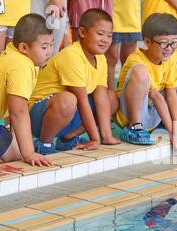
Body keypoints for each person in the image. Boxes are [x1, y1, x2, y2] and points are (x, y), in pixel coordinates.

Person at [29, 8, 120, 155]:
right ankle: (44, 143)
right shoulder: (72, 56)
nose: (105, 40)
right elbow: (82, 101)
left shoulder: (101, 58)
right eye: (100, 34)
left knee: (111, 98)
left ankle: (68, 138)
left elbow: (101, 98)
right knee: (69, 99)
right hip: (38, 115)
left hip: (66, 112)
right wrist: (94, 138)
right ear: (83, 33)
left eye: (109, 36)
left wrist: (106, 136)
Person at [114, 13, 177, 156]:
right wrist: (173, 132)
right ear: (147, 42)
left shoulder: (168, 60)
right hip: (131, 114)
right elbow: (156, 97)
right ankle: (134, 128)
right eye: (163, 43)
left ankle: (161, 124)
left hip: (153, 114)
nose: (169, 48)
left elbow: (171, 94)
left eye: (174, 42)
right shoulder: (136, 59)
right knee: (140, 72)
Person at [0, 14, 53, 167]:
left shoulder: (11, 53)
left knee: (16, 149)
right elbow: (19, 112)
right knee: (17, 155)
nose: (49, 51)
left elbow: (12, 111)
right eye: (44, 47)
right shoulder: (21, 66)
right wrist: (29, 153)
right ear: (24, 47)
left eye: (51, 45)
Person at [105, 0, 142, 90]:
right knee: (111, 59)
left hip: (131, 13)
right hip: (111, 12)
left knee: (128, 59)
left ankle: (122, 93)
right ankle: (110, 93)